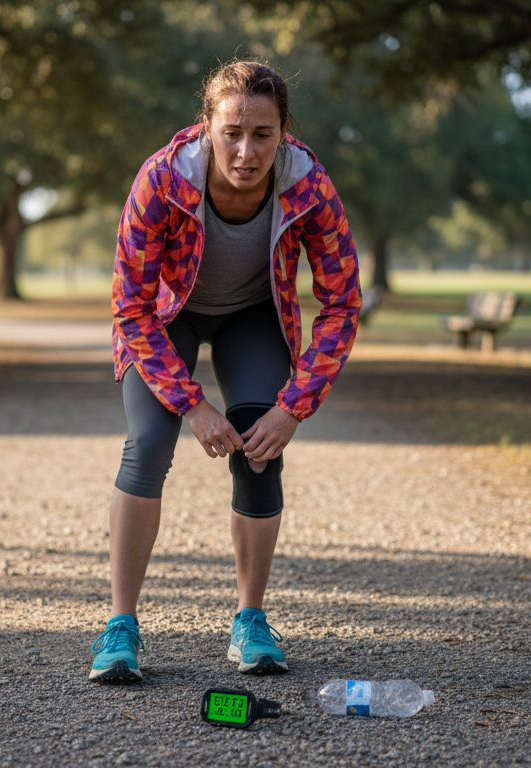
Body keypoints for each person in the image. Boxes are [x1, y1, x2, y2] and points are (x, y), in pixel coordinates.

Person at [90, 60, 361, 683]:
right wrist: (192, 404)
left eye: (262, 135)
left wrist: (294, 404)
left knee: (260, 452)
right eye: (232, 131)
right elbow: (130, 305)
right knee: (148, 443)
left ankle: (250, 620)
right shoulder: (162, 179)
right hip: (166, 317)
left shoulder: (308, 186)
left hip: (253, 315)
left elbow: (343, 301)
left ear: (283, 133)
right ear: (206, 126)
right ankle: (121, 627)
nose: (246, 151)